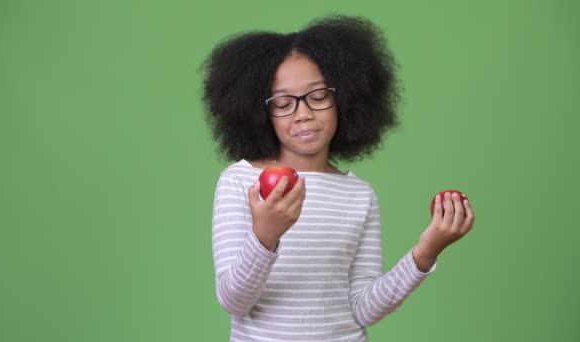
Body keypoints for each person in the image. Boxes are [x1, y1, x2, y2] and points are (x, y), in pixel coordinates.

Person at [201, 15, 475, 342]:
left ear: (344, 98)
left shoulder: (358, 194)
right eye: (284, 103)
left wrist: (426, 251)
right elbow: (235, 302)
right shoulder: (240, 181)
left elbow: (363, 309)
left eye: (318, 97)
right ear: (260, 112)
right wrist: (265, 237)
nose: (303, 113)